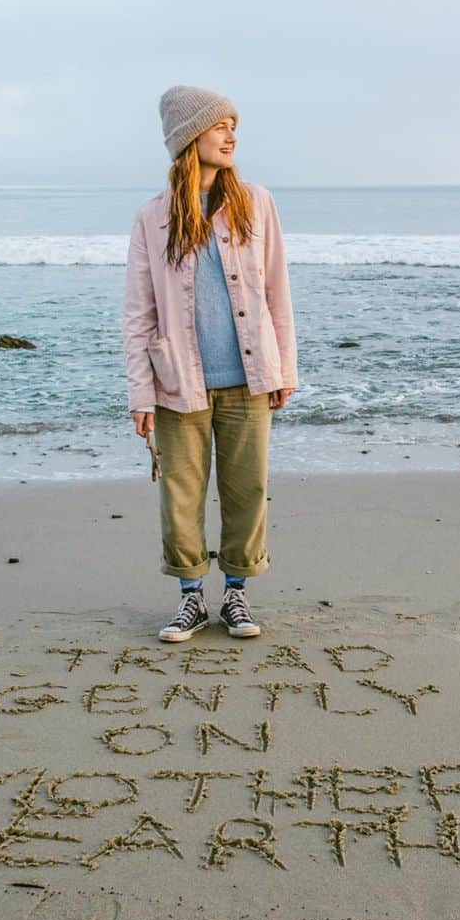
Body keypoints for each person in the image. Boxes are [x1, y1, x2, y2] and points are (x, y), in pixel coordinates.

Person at [123, 84, 298, 643]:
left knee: (247, 491)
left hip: (250, 379)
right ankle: (191, 599)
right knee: (181, 495)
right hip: (179, 383)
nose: (231, 135)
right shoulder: (152, 218)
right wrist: (141, 393)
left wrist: (284, 370)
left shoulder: (257, 202)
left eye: (232, 126)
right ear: (188, 136)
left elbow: (278, 293)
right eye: (220, 125)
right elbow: (138, 313)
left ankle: (237, 595)